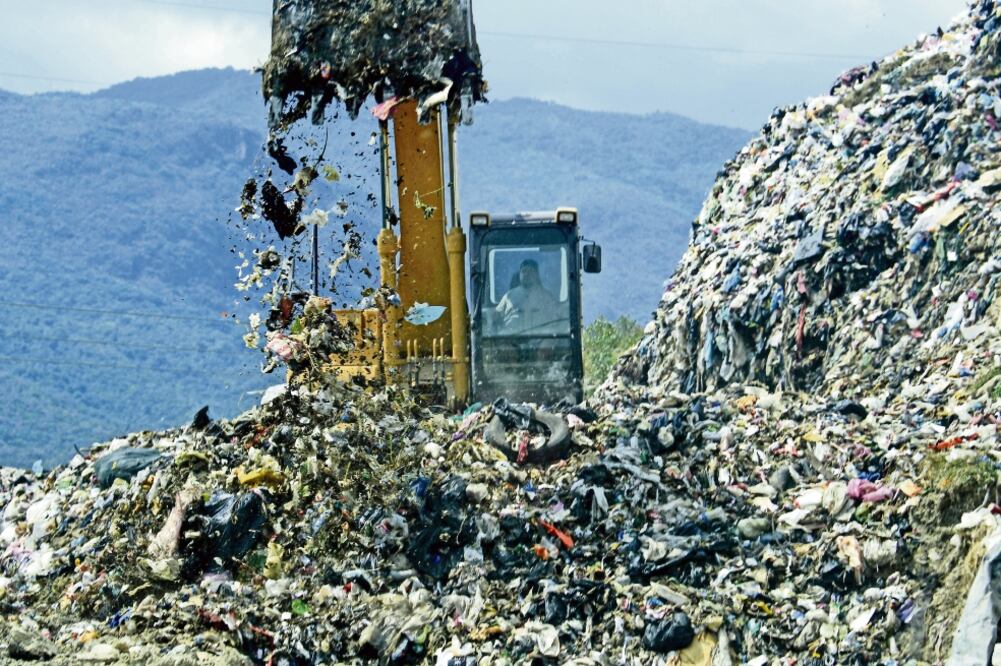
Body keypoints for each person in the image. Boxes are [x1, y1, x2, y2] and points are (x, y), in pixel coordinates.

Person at [495, 259, 561, 333]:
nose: (526, 274)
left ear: (537, 275)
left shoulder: (547, 296)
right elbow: (497, 318)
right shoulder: (509, 296)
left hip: (541, 338)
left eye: (530, 271)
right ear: (520, 275)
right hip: (512, 338)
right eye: (524, 271)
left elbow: (557, 321)